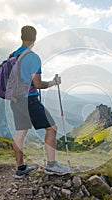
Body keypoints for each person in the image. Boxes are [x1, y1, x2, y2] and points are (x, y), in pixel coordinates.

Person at [10, 25, 69, 178]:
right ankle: (51, 165)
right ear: (35, 38)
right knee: (52, 128)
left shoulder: (13, 56)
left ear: (21, 37)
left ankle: (20, 168)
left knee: (20, 133)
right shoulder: (33, 57)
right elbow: (37, 84)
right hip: (29, 100)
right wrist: (53, 82)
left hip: (15, 100)